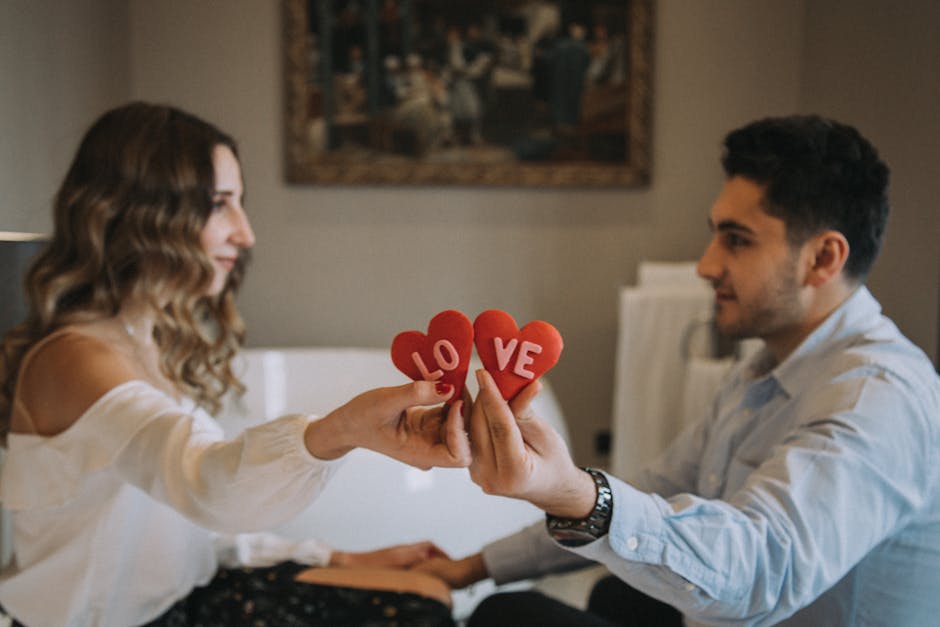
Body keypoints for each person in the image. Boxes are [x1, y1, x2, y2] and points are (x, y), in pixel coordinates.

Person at [417, 115, 940, 626]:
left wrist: (576, 495)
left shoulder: (876, 397)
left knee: (509, 616)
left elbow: (763, 572)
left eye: (736, 240)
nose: (706, 265)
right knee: (616, 593)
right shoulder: (763, 371)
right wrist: (467, 567)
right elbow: (661, 488)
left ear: (823, 258)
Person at [0, 102, 470, 626]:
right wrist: (344, 430)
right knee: (416, 613)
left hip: (185, 593)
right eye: (220, 204)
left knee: (429, 594)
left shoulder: (143, 339)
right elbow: (207, 484)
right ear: (145, 211)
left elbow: (185, 531)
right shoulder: (76, 358)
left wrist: (336, 558)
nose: (244, 234)